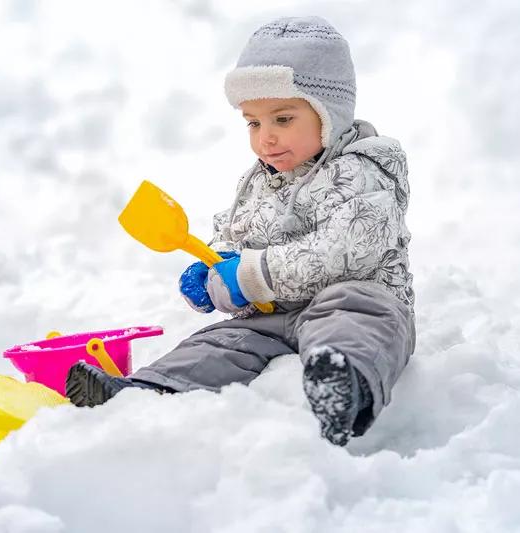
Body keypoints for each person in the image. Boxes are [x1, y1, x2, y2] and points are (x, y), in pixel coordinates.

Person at [65, 16, 415, 446]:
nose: (265, 139)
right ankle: (145, 392)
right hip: (271, 315)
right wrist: (216, 270)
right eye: (253, 123)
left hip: (352, 298)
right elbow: (237, 237)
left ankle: (344, 382)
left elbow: (345, 250)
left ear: (330, 114)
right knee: (219, 342)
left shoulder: (362, 171)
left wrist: (253, 274)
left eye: (283, 119)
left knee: (358, 315)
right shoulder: (259, 179)